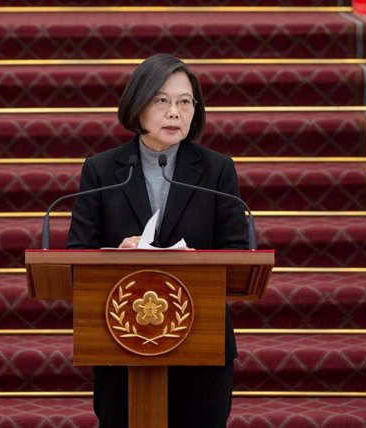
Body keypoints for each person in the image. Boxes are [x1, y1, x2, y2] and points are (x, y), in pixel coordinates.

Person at [66, 54, 249, 427]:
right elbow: (77, 253)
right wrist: (116, 256)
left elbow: (239, 251)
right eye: (162, 100)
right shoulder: (102, 170)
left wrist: (198, 263)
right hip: (122, 338)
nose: (174, 112)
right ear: (138, 103)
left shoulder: (217, 170)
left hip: (202, 338)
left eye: (185, 102)